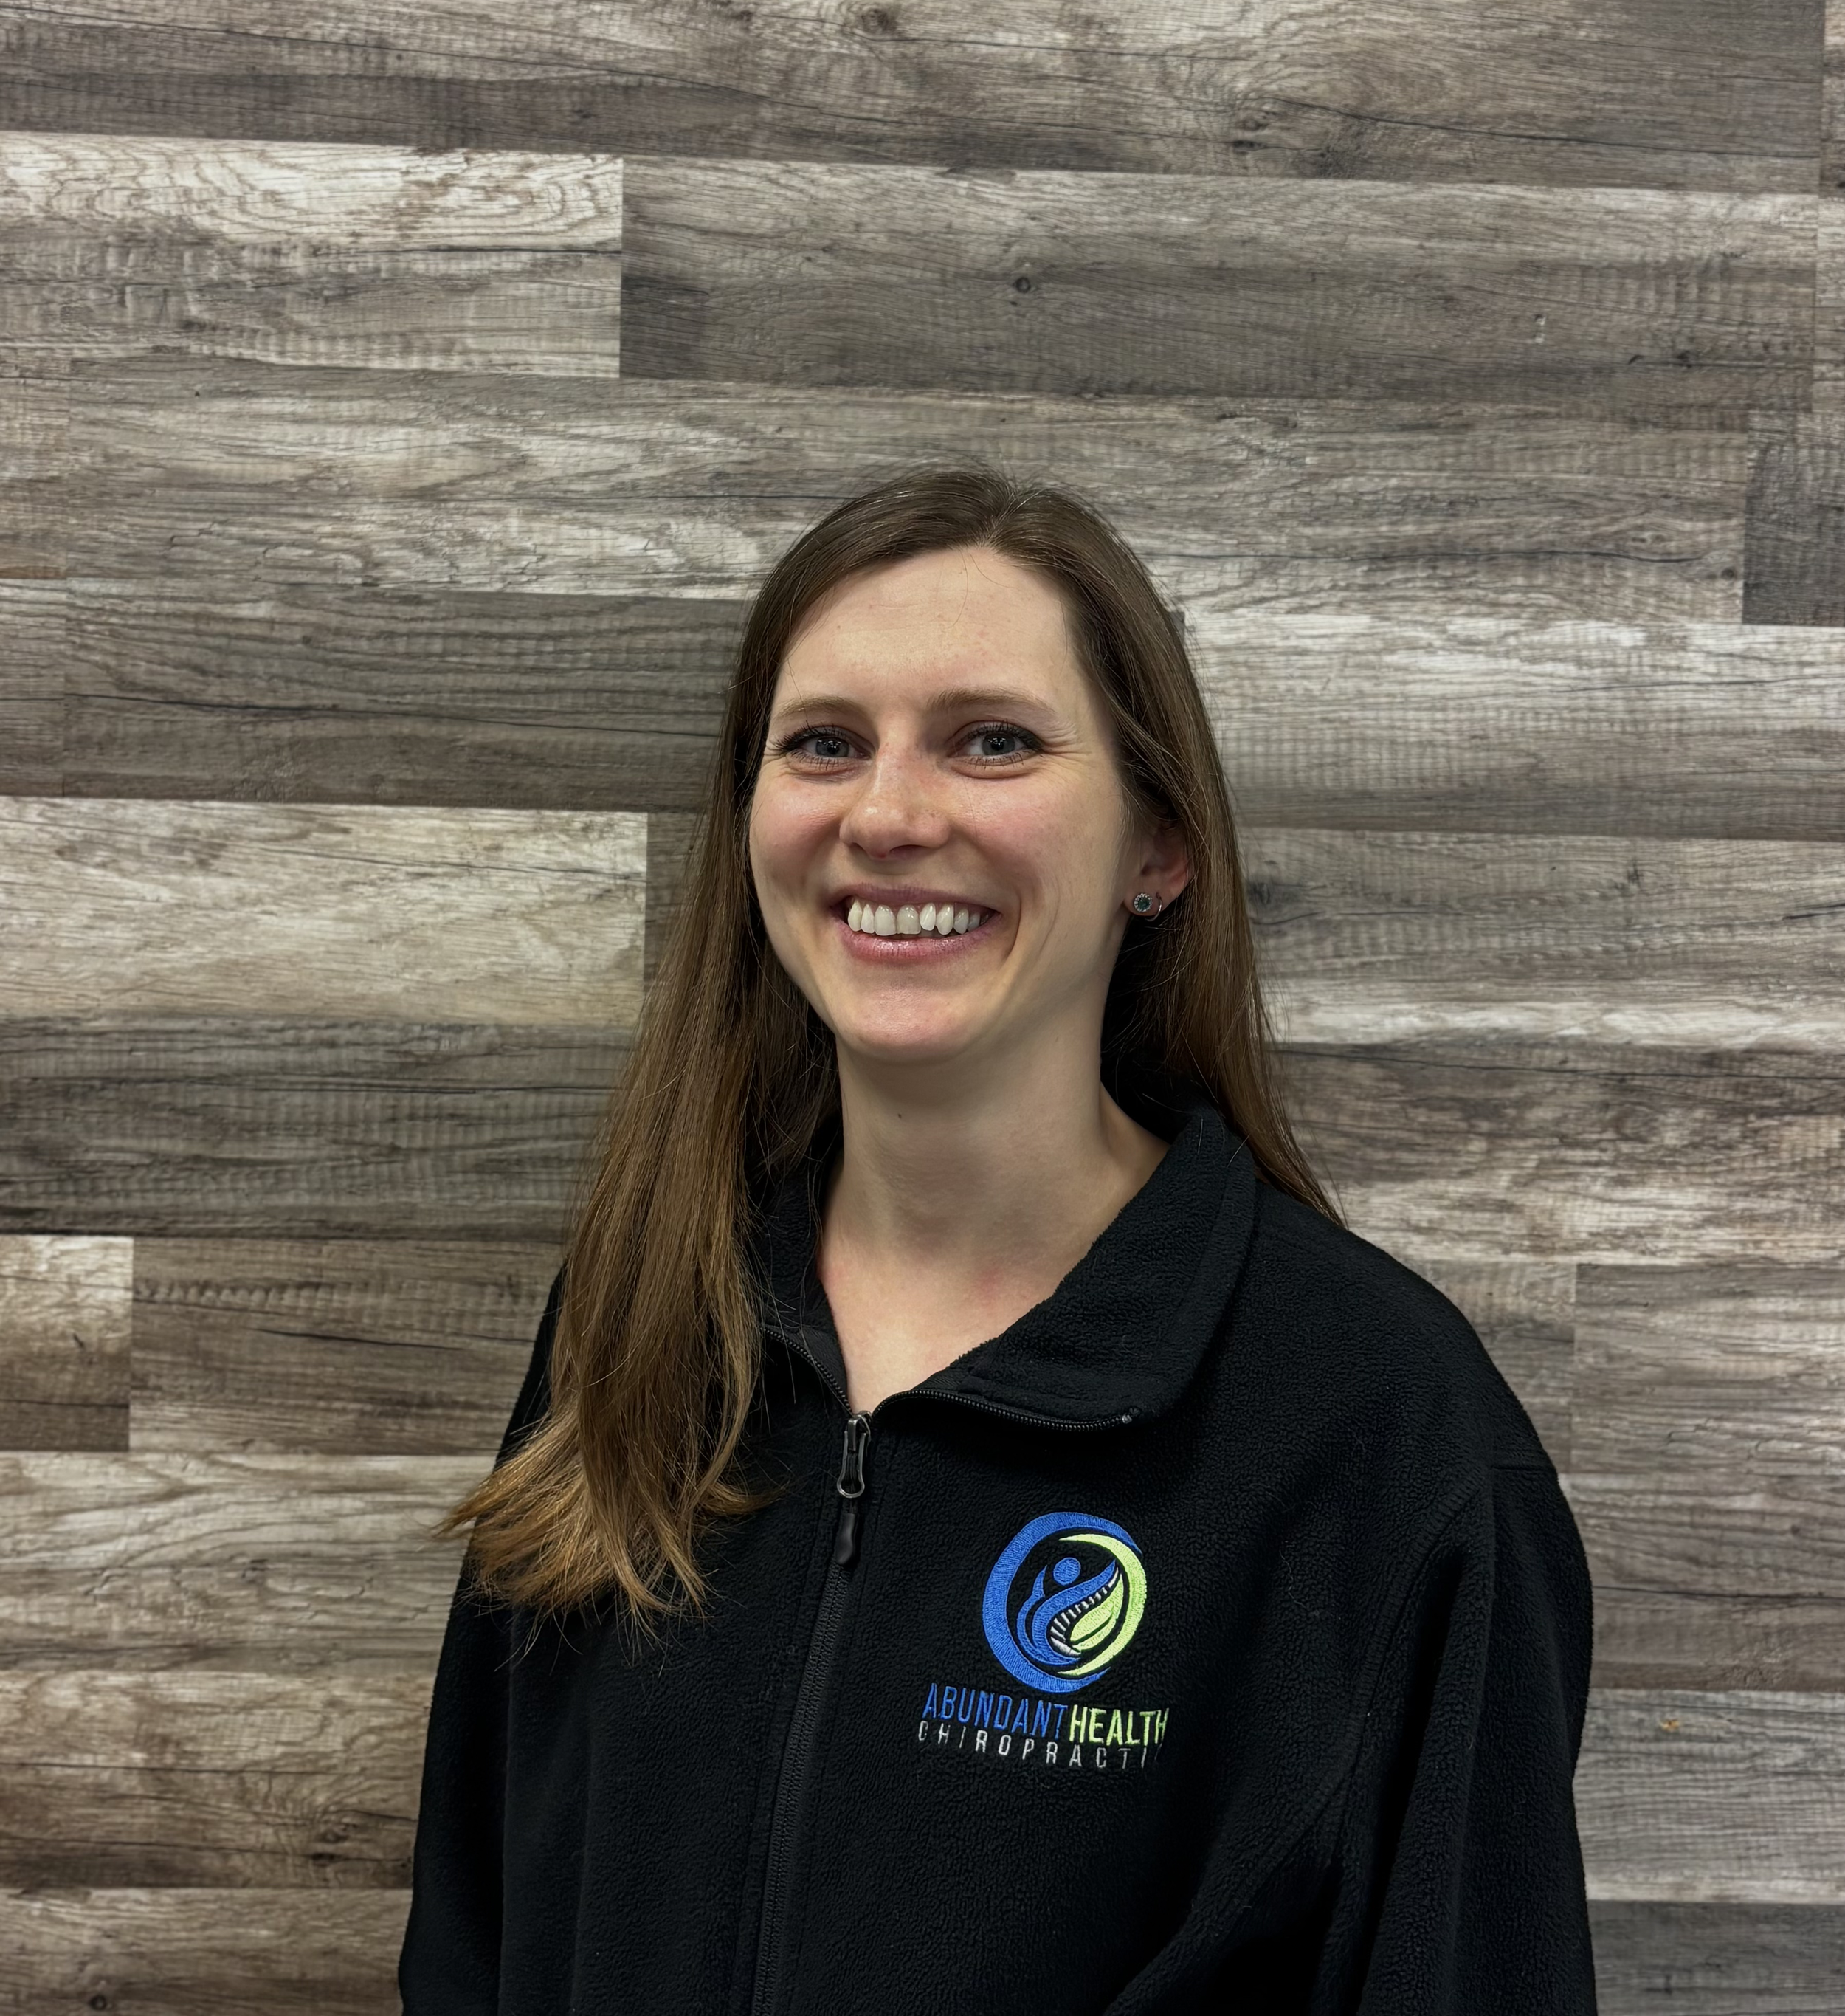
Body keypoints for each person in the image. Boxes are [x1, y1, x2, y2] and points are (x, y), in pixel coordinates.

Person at [398, 464, 1599, 2015]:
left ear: (1156, 846)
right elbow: (475, 1938)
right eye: (823, 742)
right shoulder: (643, 1319)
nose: (889, 813)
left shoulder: (1378, 1431)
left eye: (993, 741)